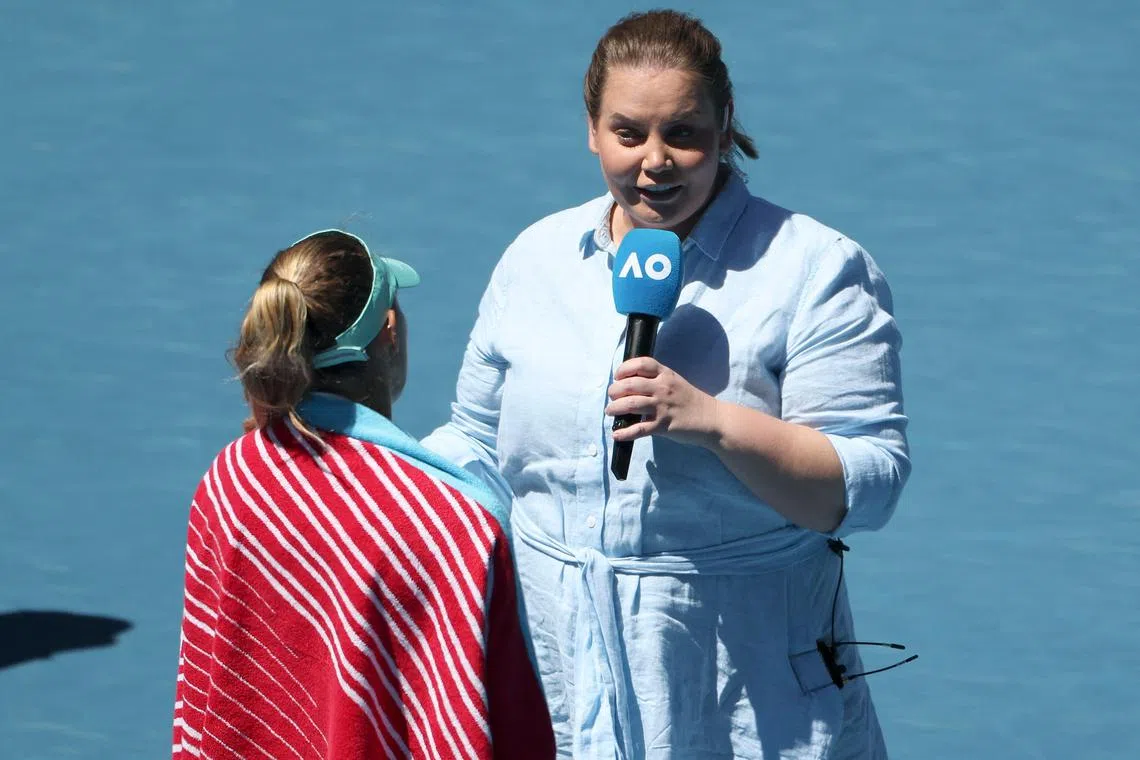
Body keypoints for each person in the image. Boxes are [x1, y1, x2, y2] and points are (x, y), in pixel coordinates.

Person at [422, 9, 911, 760]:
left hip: (744, 689)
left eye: (683, 133)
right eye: (628, 133)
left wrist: (711, 421)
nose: (656, 161)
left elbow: (863, 488)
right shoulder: (537, 259)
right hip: (560, 669)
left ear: (724, 126)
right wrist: (358, 482)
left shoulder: (813, 269)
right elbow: (478, 445)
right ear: (592, 129)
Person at [172, 229, 555, 759]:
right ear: (390, 332)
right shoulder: (454, 528)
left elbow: (214, 688)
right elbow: (510, 729)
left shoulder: (230, 481)